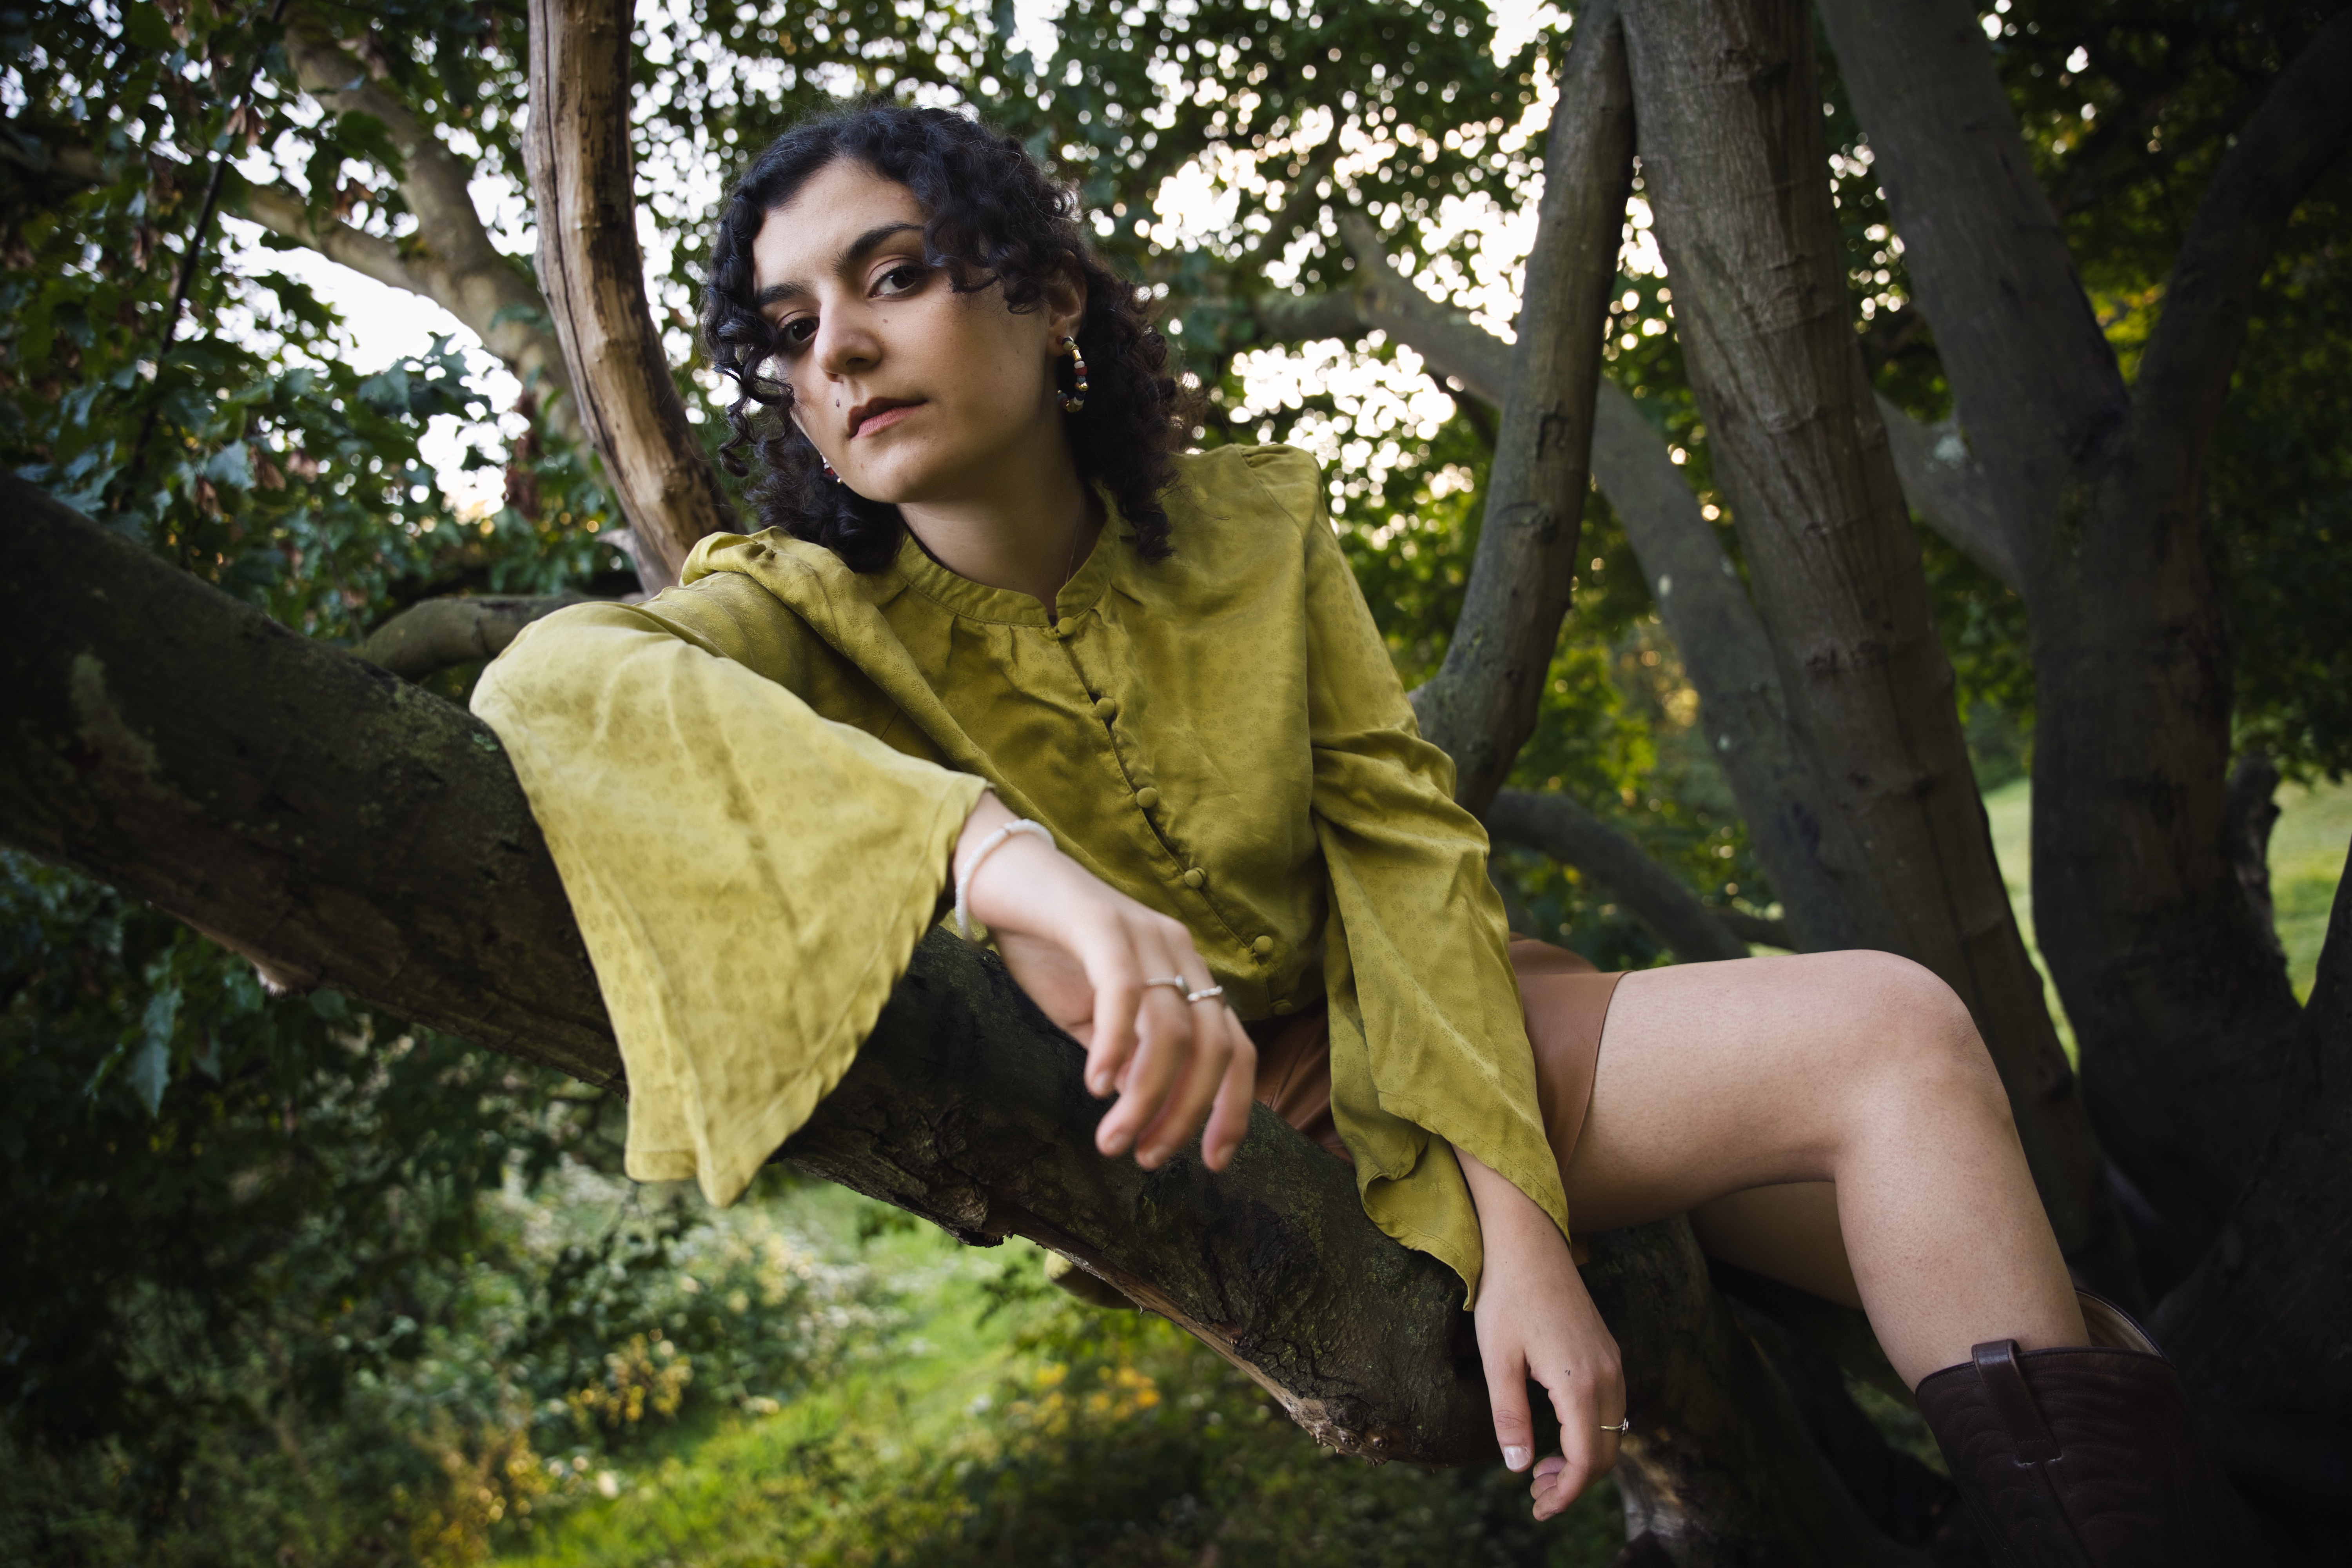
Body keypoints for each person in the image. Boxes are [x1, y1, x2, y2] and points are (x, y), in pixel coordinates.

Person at [471, 103, 2256, 1560]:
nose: (843, 346)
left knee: (2042, 1310)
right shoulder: (795, 613)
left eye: (895, 274)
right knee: (1895, 1037)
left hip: (1436, 1039)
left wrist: (1518, 1234)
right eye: (791, 330)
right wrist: (1005, 862)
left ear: (1047, 297)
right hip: (1237, 1143)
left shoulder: (1249, 525)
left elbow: (1404, 858)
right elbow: (552, 682)